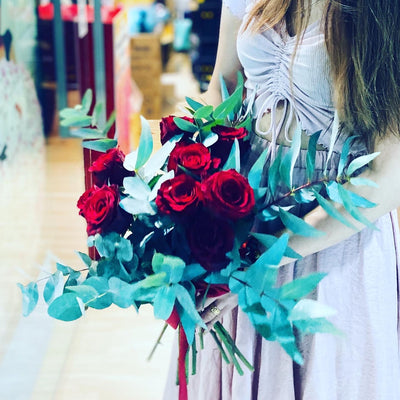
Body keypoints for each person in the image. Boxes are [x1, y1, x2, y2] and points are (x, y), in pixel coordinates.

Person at [163, 0, 400, 399]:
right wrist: (174, 192)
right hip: (239, 219)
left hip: (330, 239)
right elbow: (224, 88)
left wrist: (262, 258)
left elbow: (388, 178)